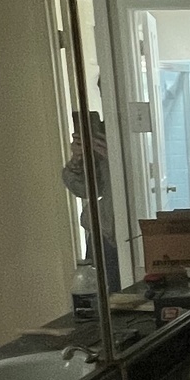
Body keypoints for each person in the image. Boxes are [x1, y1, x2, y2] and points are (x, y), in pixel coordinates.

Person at [62, 111, 120, 291]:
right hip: (103, 235)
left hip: (131, 236)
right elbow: (85, 190)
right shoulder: (104, 134)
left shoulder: (131, 133)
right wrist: (79, 158)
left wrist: (116, 158)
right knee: (103, 301)